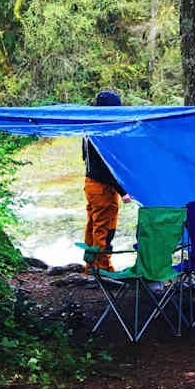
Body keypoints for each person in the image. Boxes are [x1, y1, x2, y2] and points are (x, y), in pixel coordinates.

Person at [81, 90, 133, 274]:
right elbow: (107, 167)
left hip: (90, 184)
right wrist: (123, 191)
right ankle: (103, 268)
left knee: (93, 225)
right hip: (102, 187)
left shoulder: (88, 129)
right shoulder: (102, 132)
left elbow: (86, 159)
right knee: (104, 228)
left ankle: (91, 266)